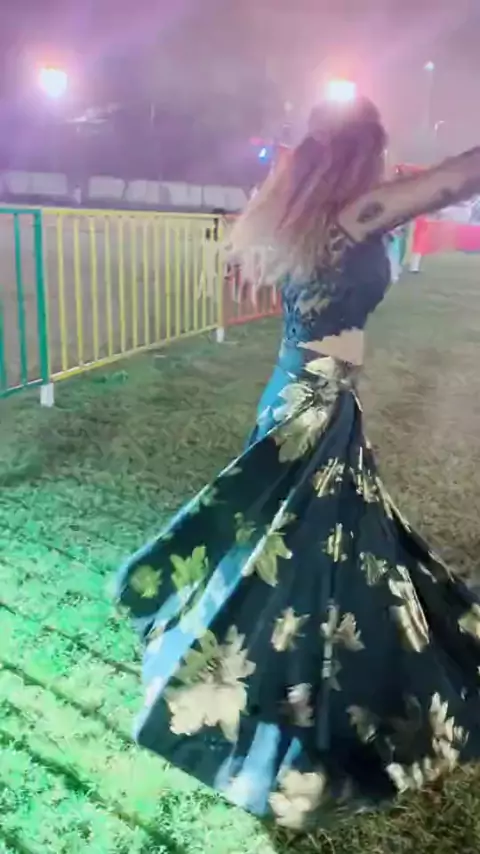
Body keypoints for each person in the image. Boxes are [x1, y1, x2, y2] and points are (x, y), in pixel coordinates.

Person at [115, 95, 480, 832]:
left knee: (296, 545)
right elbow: (454, 179)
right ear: (362, 152)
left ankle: (265, 674)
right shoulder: (355, 215)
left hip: (303, 393)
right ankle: (281, 701)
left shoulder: (306, 214)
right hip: (314, 404)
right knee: (308, 554)